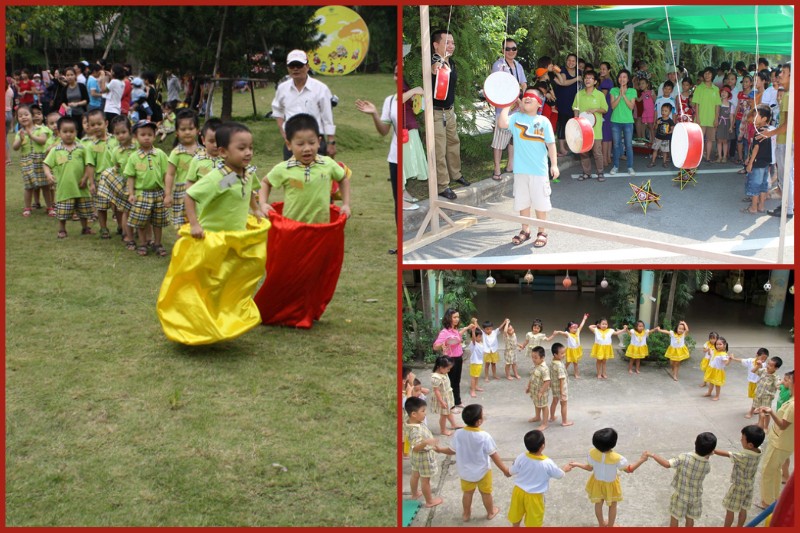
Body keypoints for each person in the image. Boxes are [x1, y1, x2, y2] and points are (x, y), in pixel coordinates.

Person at [259, 113, 351, 224]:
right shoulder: (284, 168)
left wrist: (346, 204)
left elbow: (343, 179)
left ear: (319, 141)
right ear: (289, 145)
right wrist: (263, 204)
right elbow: (265, 182)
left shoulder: (328, 164)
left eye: (312, 143)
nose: (307, 148)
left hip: (321, 229)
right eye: (300, 144)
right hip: (292, 228)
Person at [497, 88, 558, 249]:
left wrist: (555, 165)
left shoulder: (544, 121)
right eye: (525, 97)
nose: (527, 98)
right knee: (522, 201)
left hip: (539, 170)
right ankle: (525, 230)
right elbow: (502, 123)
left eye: (532, 97)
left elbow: (551, 144)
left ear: (539, 103)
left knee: (540, 202)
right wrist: (506, 103)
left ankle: (542, 231)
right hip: (520, 170)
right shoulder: (516, 118)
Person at [185, 122, 263, 238]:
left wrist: (256, 209)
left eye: (250, 148)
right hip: (213, 239)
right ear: (223, 152)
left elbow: (248, 190)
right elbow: (190, 196)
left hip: (236, 237)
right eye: (242, 148)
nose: (248, 153)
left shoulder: (248, 173)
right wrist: (194, 224)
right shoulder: (219, 178)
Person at [439, 404, 511, 522]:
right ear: (478, 422)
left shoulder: (458, 433)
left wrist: (440, 449)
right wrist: (505, 470)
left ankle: (466, 515)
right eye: (483, 415)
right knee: (486, 493)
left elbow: (451, 450)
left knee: (467, 493)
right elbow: (494, 455)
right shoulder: (484, 436)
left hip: (465, 472)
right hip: (483, 471)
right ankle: (490, 512)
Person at [354, 63, 399, 252]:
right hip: (395, 158)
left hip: (410, 155)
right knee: (398, 202)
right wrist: (374, 114)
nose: (398, 77)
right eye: (396, 74)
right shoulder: (390, 100)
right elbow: (383, 131)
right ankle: (400, 245)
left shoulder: (412, 98)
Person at [567, 428, 649, 527]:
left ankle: (601, 525)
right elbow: (629, 469)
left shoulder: (592, 453)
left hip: (597, 483)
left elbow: (589, 468)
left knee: (598, 504)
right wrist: (641, 460)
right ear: (613, 443)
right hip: (611, 485)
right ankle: (610, 526)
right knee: (613, 506)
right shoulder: (617, 458)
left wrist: (576, 464)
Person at [271, 50, 336, 160]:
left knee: (317, 175)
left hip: (315, 141)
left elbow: (327, 116)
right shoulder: (282, 88)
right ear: (288, 68)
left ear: (307, 66)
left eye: (299, 65)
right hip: (292, 141)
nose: (295, 69)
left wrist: (331, 142)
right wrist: (284, 133)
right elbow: (278, 111)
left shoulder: (320, 88)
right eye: (292, 66)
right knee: (291, 176)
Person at [647, 432, 718, 527]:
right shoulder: (706, 465)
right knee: (690, 519)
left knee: (675, 517)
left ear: (695, 443)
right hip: (695, 497)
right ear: (711, 451)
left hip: (681, 495)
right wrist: (710, 453)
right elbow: (706, 458)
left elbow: (667, 464)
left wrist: (652, 455)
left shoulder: (684, 457)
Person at [430, 30, 469, 200]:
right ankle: (442, 185)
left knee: (453, 143)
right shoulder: (434, 61)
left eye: (452, 42)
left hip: (450, 112)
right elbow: (434, 70)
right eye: (447, 42)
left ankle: (456, 174)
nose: (451, 46)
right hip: (436, 113)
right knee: (439, 149)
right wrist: (437, 66)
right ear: (436, 45)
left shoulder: (451, 62)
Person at [43, 116, 95, 238]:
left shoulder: (82, 148)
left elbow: (89, 164)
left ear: (76, 132)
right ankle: (62, 229)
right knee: (63, 211)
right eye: (65, 131)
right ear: (59, 133)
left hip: (81, 187)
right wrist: (48, 174)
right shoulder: (55, 150)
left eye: (71, 131)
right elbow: (46, 164)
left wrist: (85, 178)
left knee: (84, 210)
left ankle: (85, 228)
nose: (68, 134)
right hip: (64, 188)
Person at [124, 120, 170, 257]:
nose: (146, 137)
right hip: (142, 193)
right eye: (142, 134)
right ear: (135, 137)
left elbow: (166, 174)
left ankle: (157, 243)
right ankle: (143, 243)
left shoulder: (160, 154)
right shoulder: (133, 157)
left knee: (158, 220)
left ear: (154, 136)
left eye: (150, 134)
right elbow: (130, 177)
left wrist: (167, 193)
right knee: (141, 220)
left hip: (158, 193)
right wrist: (131, 193)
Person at [507, 429, 569, 527]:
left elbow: (511, 471)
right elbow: (559, 475)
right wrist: (565, 469)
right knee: (534, 521)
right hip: (534, 496)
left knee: (516, 515)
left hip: (518, 492)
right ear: (542, 446)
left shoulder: (521, 457)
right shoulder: (547, 463)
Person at [712, 425, 764, 527]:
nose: (740, 439)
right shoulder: (759, 451)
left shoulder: (743, 457)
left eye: (743, 438)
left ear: (750, 445)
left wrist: (712, 449)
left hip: (738, 487)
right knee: (743, 509)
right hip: (749, 486)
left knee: (730, 510)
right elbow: (759, 431)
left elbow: (727, 454)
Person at [755, 370, 793, 508]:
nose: (784, 381)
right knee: (775, 470)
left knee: (767, 470)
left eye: (788, 380)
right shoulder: (791, 398)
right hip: (782, 441)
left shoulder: (794, 404)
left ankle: (767, 502)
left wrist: (770, 412)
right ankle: (774, 498)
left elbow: (783, 425)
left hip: (780, 442)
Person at [490, 38, 527, 180]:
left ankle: (511, 165)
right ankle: (497, 169)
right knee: (499, 140)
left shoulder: (518, 65)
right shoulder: (499, 65)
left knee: (514, 138)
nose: (511, 51)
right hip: (504, 109)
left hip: (517, 109)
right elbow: (501, 86)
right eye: (508, 49)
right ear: (503, 50)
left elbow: (523, 82)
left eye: (514, 48)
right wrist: (516, 99)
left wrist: (523, 92)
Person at [762, 62, 792, 220]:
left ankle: (788, 208)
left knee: (786, 175)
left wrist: (770, 133)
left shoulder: (788, 95)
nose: (780, 75)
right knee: (787, 174)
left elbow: (787, 124)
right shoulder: (788, 94)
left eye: (784, 72)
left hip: (786, 140)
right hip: (787, 140)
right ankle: (788, 205)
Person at [405, 396, 447, 509]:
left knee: (415, 475)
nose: (425, 413)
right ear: (413, 414)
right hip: (423, 457)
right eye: (423, 411)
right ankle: (429, 501)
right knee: (425, 480)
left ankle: (414, 494)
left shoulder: (409, 420)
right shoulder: (415, 430)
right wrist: (426, 442)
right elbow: (416, 447)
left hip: (415, 458)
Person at [104, 116, 138, 249]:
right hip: (125, 185)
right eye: (117, 133)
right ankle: (127, 234)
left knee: (142, 209)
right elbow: (115, 167)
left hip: (140, 183)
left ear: (130, 130)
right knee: (126, 210)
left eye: (123, 132)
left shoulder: (138, 146)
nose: (121, 136)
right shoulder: (115, 151)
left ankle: (144, 235)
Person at [12, 105, 53, 217]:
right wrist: (20, 139)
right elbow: (15, 147)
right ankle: (27, 207)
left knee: (45, 185)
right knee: (28, 186)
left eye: (26, 114)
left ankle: (50, 207)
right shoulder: (20, 132)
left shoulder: (41, 129)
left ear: (32, 116)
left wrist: (31, 135)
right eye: (20, 116)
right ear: (17, 118)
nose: (23, 117)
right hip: (27, 161)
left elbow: (43, 141)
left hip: (40, 160)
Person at [164, 109, 202, 228]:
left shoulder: (204, 152)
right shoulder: (176, 153)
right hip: (181, 192)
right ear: (177, 132)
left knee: (200, 220)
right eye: (183, 129)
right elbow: (170, 174)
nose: (187, 132)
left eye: (190, 129)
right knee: (182, 224)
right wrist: (168, 194)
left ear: (197, 131)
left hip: (200, 190)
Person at [83, 109, 117, 238]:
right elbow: (90, 164)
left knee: (118, 206)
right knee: (101, 207)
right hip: (100, 180)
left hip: (116, 178)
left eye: (99, 123)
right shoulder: (90, 146)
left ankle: (121, 226)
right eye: (92, 125)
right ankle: (104, 228)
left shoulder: (115, 140)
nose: (96, 127)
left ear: (106, 123)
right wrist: (91, 183)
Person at [572, 70, 608, 181]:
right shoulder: (579, 94)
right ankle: (586, 172)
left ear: (595, 81)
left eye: (590, 78)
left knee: (597, 152)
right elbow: (575, 109)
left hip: (595, 130)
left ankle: (600, 172)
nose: (587, 80)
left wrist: (595, 109)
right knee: (583, 152)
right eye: (586, 78)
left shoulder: (600, 95)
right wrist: (576, 123)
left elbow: (605, 109)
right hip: (582, 130)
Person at [432, 308, 471, 410]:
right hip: (450, 360)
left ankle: (457, 401)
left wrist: (467, 328)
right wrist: (443, 344)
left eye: (457, 317)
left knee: (457, 381)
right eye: (454, 317)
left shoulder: (455, 330)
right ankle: (451, 405)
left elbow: (458, 336)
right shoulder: (444, 332)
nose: (456, 319)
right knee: (449, 383)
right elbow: (435, 346)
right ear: (449, 318)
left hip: (459, 358)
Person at [401, 77, 427, 210]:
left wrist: (413, 99)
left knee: (406, 162)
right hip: (400, 124)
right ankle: (399, 199)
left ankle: (403, 192)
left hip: (408, 122)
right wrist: (413, 91)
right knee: (400, 163)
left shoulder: (401, 76)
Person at [742, 104, 773, 215]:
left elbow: (755, 148)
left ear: (764, 119)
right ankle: (761, 206)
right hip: (766, 163)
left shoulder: (759, 131)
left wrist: (750, 162)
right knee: (763, 184)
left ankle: (753, 207)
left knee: (755, 184)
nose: (754, 118)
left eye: (756, 116)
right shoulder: (768, 130)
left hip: (758, 163)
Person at [608, 69, 637, 176]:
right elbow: (612, 106)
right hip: (615, 121)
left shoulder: (632, 91)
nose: (622, 79)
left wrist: (624, 95)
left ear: (628, 79)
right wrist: (619, 95)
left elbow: (631, 107)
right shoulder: (613, 90)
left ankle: (630, 167)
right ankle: (615, 166)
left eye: (624, 77)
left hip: (628, 122)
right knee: (616, 145)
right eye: (620, 77)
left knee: (628, 145)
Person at [552, 53, 580, 157]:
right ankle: (562, 148)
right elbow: (563, 82)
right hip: (563, 101)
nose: (571, 63)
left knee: (572, 124)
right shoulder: (562, 70)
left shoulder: (579, 72)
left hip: (574, 102)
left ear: (576, 63)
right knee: (562, 124)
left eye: (573, 61)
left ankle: (570, 146)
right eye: (569, 60)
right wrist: (577, 79)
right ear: (566, 61)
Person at [692, 67, 721, 163]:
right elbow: (696, 104)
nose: (707, 75)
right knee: (699, 139)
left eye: (709, 73)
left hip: (711, 118)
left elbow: (717, 105)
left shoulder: (716, 89)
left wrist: (716, 118)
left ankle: (708, 157)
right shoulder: (699, 88)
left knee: (710, 139)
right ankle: (698, 157)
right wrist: (698, 118)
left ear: (713, 75)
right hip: (701, 118)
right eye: (705, 73)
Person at [728, 347, 769, 415]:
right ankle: (758, 408)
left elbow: (762, 369)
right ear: (757, 355)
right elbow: (742, 360)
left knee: (756, 398)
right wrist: (733, 358)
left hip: (759, 383)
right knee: (754, 397)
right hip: (751, 382)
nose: (763, 360)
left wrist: (760, 364)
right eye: (762, 358)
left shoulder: (763, 364)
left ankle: (752, 412)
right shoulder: (750, 361)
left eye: (765, 359)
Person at [429, 356, 463, 436]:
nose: (449, 370)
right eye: (447, 369)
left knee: (448, 412)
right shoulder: (436, 378)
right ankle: (443, 430)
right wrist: (441, 401)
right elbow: (436, 390)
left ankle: (453, 424)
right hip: (442, 398)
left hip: (447, 396)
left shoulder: (443, 373)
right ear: (440, 367)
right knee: (444, 415)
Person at [185, 118, 223, 186]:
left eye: (219, 140)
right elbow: (190, 182)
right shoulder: (197, 160)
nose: (216, 145)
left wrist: (220, 186)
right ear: (203, 140)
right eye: (211, 141)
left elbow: (234, 180)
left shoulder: (229, 160)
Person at [53, 68, 89, 138]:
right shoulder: (65, 88)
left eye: (71, 75)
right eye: (67, 75)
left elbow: (87, 100)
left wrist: (77, 104)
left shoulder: (81, 86)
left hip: (81, 113)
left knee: (82, 131)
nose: (69, 77)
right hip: (70, 114)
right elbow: (62, 101)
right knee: (73, 130)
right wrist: (66, 107)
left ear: (75, 75)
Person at [553, 313, 588, 379]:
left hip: (576, 350)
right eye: (574, 328)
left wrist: (584, 319)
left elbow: (581, 325)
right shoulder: (567, 334)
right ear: (569, 328)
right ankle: (563, 371)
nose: (575, 329)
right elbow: (562, 332)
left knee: (575, 363)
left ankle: (576, 374)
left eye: (576, 328)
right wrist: (557, 332)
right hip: (570, 351)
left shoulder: (577, 332)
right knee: (568, 362)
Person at [752, 356, 783, 430]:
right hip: (759, 395)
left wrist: (782, 381)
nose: (768, 366)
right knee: (760, 410)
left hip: (767, 398)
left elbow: (778, 386)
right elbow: (753, 371)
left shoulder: (775, 377)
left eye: (770, 365)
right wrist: (758, 365)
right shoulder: (763, 370)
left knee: (766, 413)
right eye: (768, 364)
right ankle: (760, 423)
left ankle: (766, 426)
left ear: (776, 368)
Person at [525, 346, 551, 430]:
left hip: (542, 392)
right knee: (536, 404)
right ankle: (537, 417)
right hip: (534, 391)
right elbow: (532, 377)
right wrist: (528, 386)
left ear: (542, 357)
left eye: (535, 357)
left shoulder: (544, 369)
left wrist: (541, 392)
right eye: (532, 357)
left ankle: (545, 423)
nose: (533, 359)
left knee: (543, 406)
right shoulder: (535, 366)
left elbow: (547, 381)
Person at [597, 62, 615, 168]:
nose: (602, 71)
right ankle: (607, 158)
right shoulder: (609, 81)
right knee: (608, 136)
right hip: (609, 110)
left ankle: (604, 159)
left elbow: (602, 97)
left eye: (604, 69)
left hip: (604, 110)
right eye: (601, 69)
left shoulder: (605, 82)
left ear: (609, 70)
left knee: (604, 136)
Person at [548, 343, 571, 426]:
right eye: (562, 353)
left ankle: (552, 417)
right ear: (555, 354)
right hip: (561, 388)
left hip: (554, 387)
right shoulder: (560, 366)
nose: (564, 355)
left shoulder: (552, 361)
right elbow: (561, 379)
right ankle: (565, 421)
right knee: (564, 404)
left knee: (554, 401)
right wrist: (562, 392)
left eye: (564, 352)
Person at [702, 336, 731, 401]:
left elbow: (726, 363)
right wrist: (709, 351)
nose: (718, 346)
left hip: (718, 371)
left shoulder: (723, 354)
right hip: (711, 369)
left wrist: (730, 359)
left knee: (717, 384)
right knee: (711, 382)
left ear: (724, 345)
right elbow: (710, 354)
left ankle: (717, 396)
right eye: (717, 344)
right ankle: (709, 392)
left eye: (720, 344)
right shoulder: (714, 350)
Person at [714, 86, 734, 163]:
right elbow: (717, 113)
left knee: (725, 141)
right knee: (719, 140)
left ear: (728, 94)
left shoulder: (731, 104)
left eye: (725, 92)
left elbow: (731, 115)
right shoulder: (718, 103)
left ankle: (725, 156)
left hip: (727, 123)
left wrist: (731, 126)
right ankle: (719, 156)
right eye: (722, 92)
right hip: (719, 123)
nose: (723, 94)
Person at [466, 324, 485, 398]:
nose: (481, 338)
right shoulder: (473, 344)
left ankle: (476, 386)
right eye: (479, 336)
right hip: (474, 363)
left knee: (477, 376)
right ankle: (472, 390)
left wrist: (476, 324)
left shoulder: (480, 343)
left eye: (481, 336)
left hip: (479, 363)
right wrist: (473, 331)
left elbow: (481, 332)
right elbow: (474, 339)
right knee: (473, 377)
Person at [636, 77, 655, 142]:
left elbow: (655, 100)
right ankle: (644, 139)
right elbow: (638, 100)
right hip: (645, 112)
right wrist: (633, 94)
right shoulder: (643, 94)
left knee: (651, 126)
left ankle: (653, 141)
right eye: (640, 84)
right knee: (644, 125)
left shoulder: (650, 92)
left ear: (647, 84)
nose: (641, 85)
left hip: (651, 112)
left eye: (643, 83)